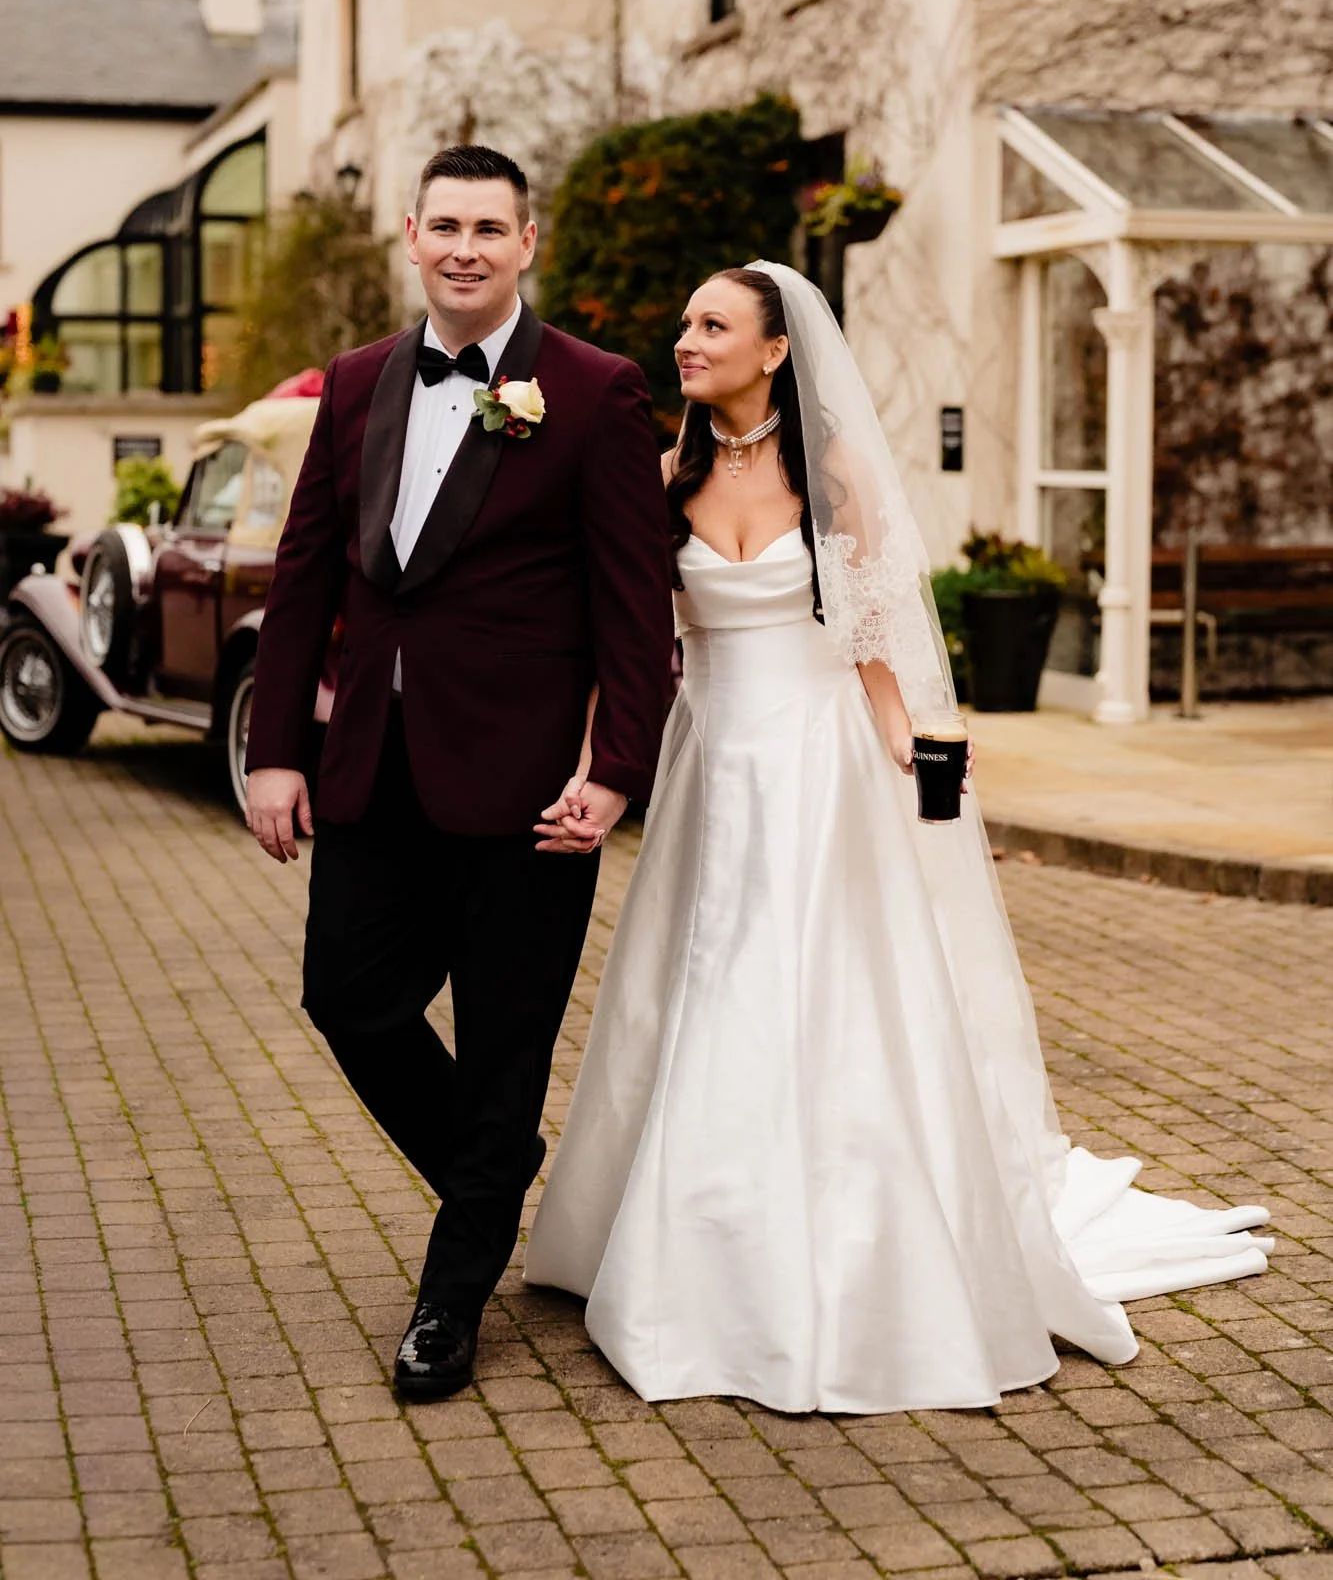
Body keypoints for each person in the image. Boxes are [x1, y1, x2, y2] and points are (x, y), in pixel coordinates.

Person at [525, 260, 1273, 1415]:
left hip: (819, 764)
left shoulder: (833, 477)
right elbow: (627, 640)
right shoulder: (661, 476)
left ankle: (846, 1253)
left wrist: (917, 745)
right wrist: (593, 762)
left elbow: (873, 634)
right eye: (683, 322)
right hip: (710, 759)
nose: (685, 339)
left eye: (711, 324)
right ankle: (683, 1232)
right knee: (701, 979)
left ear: (776, 349)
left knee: (821, 989)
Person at [244, 144, 676, 1402]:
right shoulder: (364, 380)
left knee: (502, 1043)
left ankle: (450, 1298)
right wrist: (277, 749)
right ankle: (494, 1174)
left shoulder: (595, 392)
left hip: (531, 790)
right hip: (370, 773)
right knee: (348, 998)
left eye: (491, 226)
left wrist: (615, 769)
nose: (465, 247)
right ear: (412, 233)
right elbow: (305, 574)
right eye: (445, 225)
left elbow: (632, 608)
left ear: (528, 241)